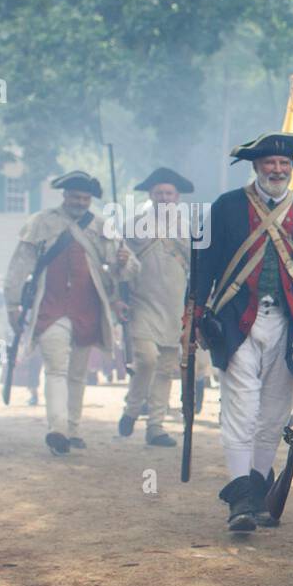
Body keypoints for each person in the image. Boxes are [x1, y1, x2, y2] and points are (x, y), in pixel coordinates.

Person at [190, 133, 293, 531]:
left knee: (272, 416)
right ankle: (240, 499)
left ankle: (259, 490)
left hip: (289, 326)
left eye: (284, 164)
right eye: (269, 163)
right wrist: (194, 315)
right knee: (241, 411)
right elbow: (203, 266)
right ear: (256, 167)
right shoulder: (226, 208)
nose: (277, 169)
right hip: (235, 324)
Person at [5, 171, 139, 455]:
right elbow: (19, 265)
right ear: (65, 196)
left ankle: (74, 428)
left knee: (77, 373)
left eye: (85, 198)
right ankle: (57, 429)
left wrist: (122, 261)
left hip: (87, 307)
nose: (80, 202)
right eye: (76, 197)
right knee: (55, 369)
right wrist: (12, 303)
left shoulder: (101, 225)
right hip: (50, 306)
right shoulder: (41, 222)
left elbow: (124, 270)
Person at [119, 167, 195, 447]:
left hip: (174, 307)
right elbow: (120, 269)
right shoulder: (133, 225)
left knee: (165, 369)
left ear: (177, 197)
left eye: (169, 193)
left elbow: (196, 268)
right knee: (147, 359)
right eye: (159, 192)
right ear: (151, 195)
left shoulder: (188, 227)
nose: (164, 197)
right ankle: (132, 407)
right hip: (142, 303)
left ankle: (156, 427)